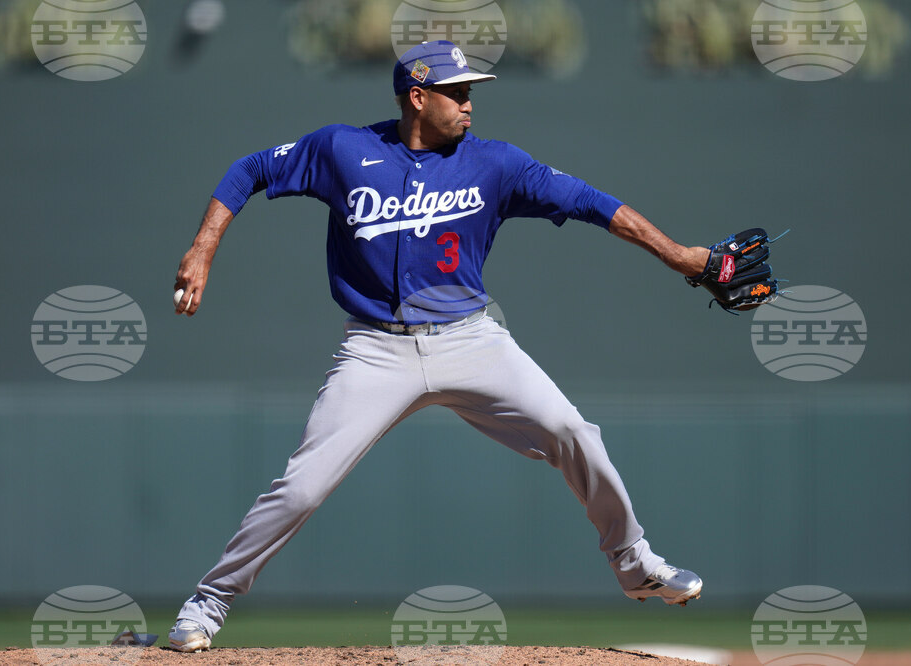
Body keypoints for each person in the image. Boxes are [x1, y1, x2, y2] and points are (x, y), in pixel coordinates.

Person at [168, 40, 708, 653]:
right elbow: (251, 170)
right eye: (457, 92)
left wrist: (680, 256)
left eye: (471, 92)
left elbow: (592, 203)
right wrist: (204, 246)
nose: (469, 104)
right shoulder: (342, 149)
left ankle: (634, 563)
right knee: (302, 487)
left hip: (471, 339)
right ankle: (208, 603)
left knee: (575, 433)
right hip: (377, 349)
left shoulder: (497, 163)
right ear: (418, 98)